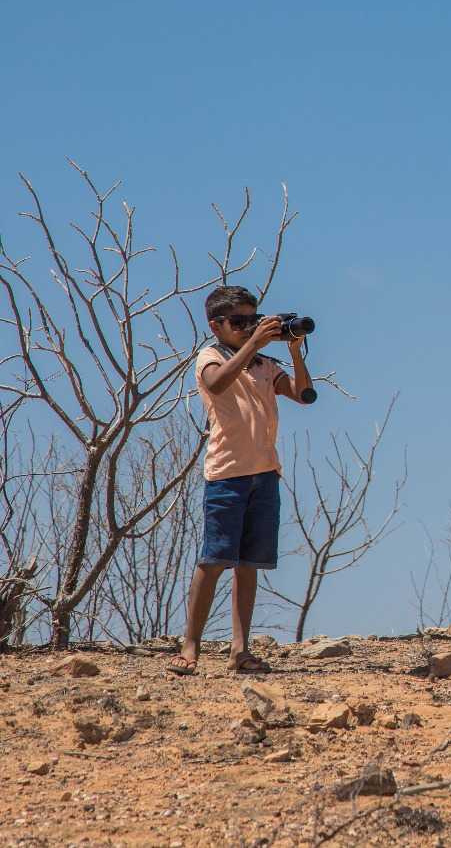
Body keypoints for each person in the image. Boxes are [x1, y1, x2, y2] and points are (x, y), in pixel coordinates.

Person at [168, 285, 313, 675]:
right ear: (215, 326)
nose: (248, 327)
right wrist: (254, 345)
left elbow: (303, 394)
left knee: (248, 564)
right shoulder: (210, 357)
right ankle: (189, 647)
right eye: (239, 322)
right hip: (227, 475)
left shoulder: (265, 364)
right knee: (213, 560)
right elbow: (217, 384)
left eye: (253, 320)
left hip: (264, 474)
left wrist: (295, 350)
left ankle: (240, 650)